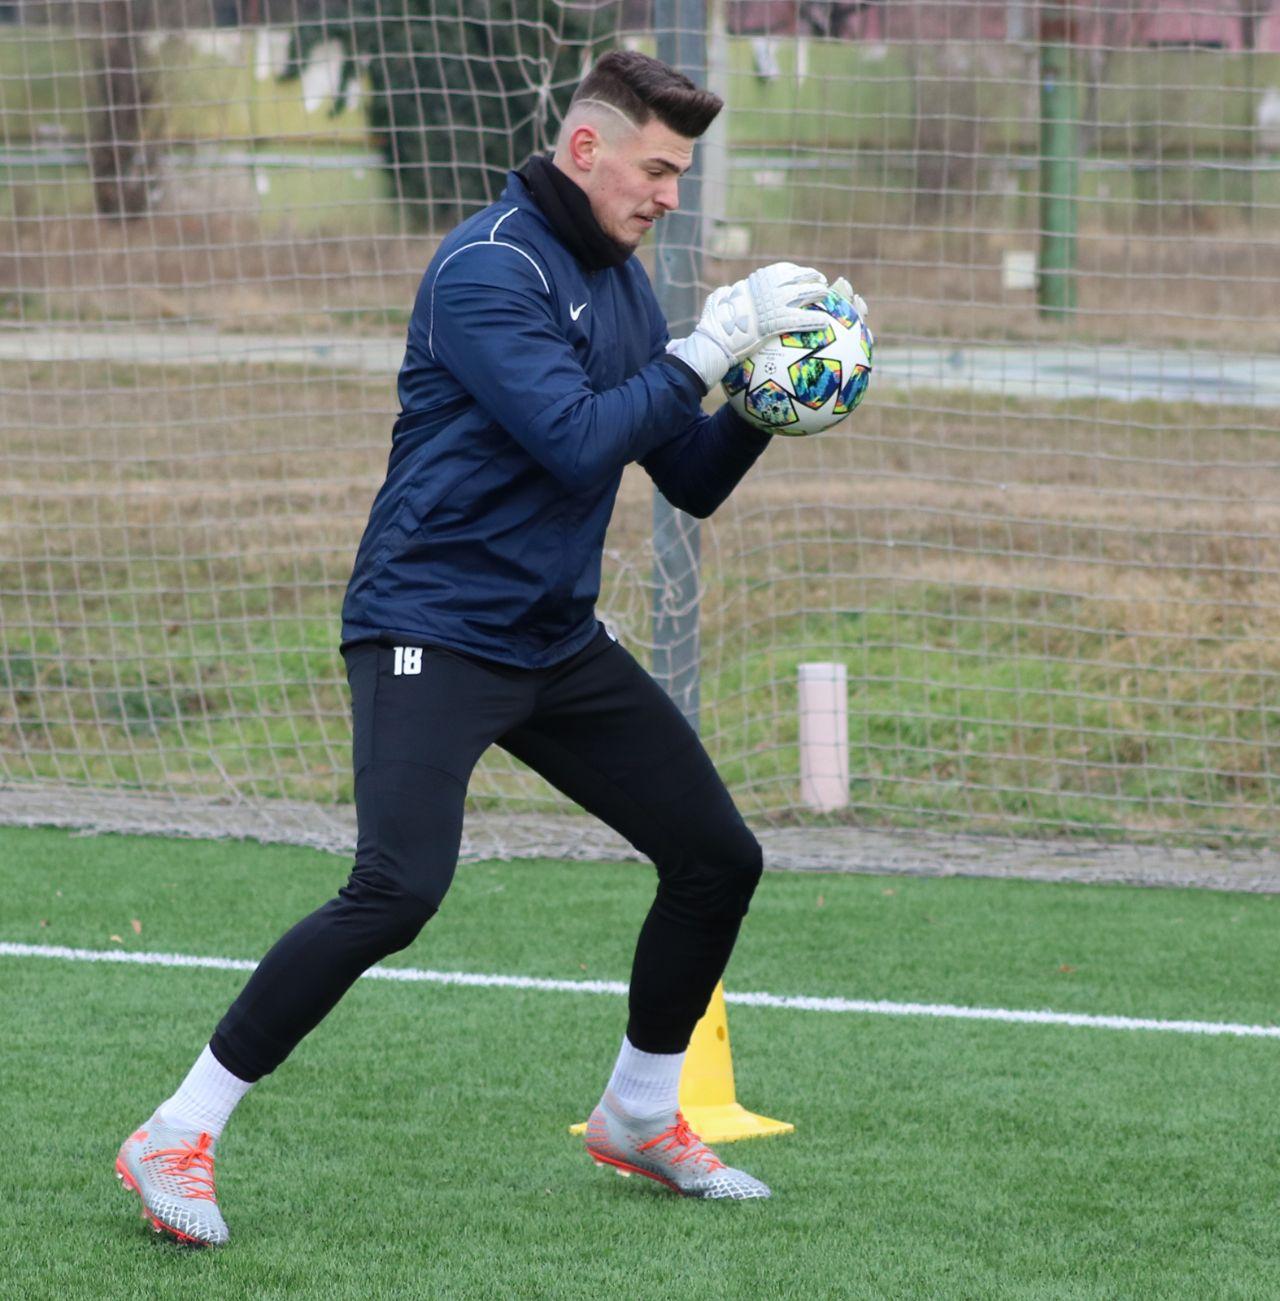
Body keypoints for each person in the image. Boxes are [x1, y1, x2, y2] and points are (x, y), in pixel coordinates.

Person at [115, 49, 864, 1245]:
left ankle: (638, 1112)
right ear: (586, 148)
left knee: (716, 856)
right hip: (429, 625)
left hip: (549, 637)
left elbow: (684, 474)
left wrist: (780, 394)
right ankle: (175, 1130)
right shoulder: (486, 268)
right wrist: (713, 342)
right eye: (656, 169)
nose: (669, 195)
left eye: (680, 173)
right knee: (396, 889)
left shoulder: (619, 284)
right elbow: (575, 440)